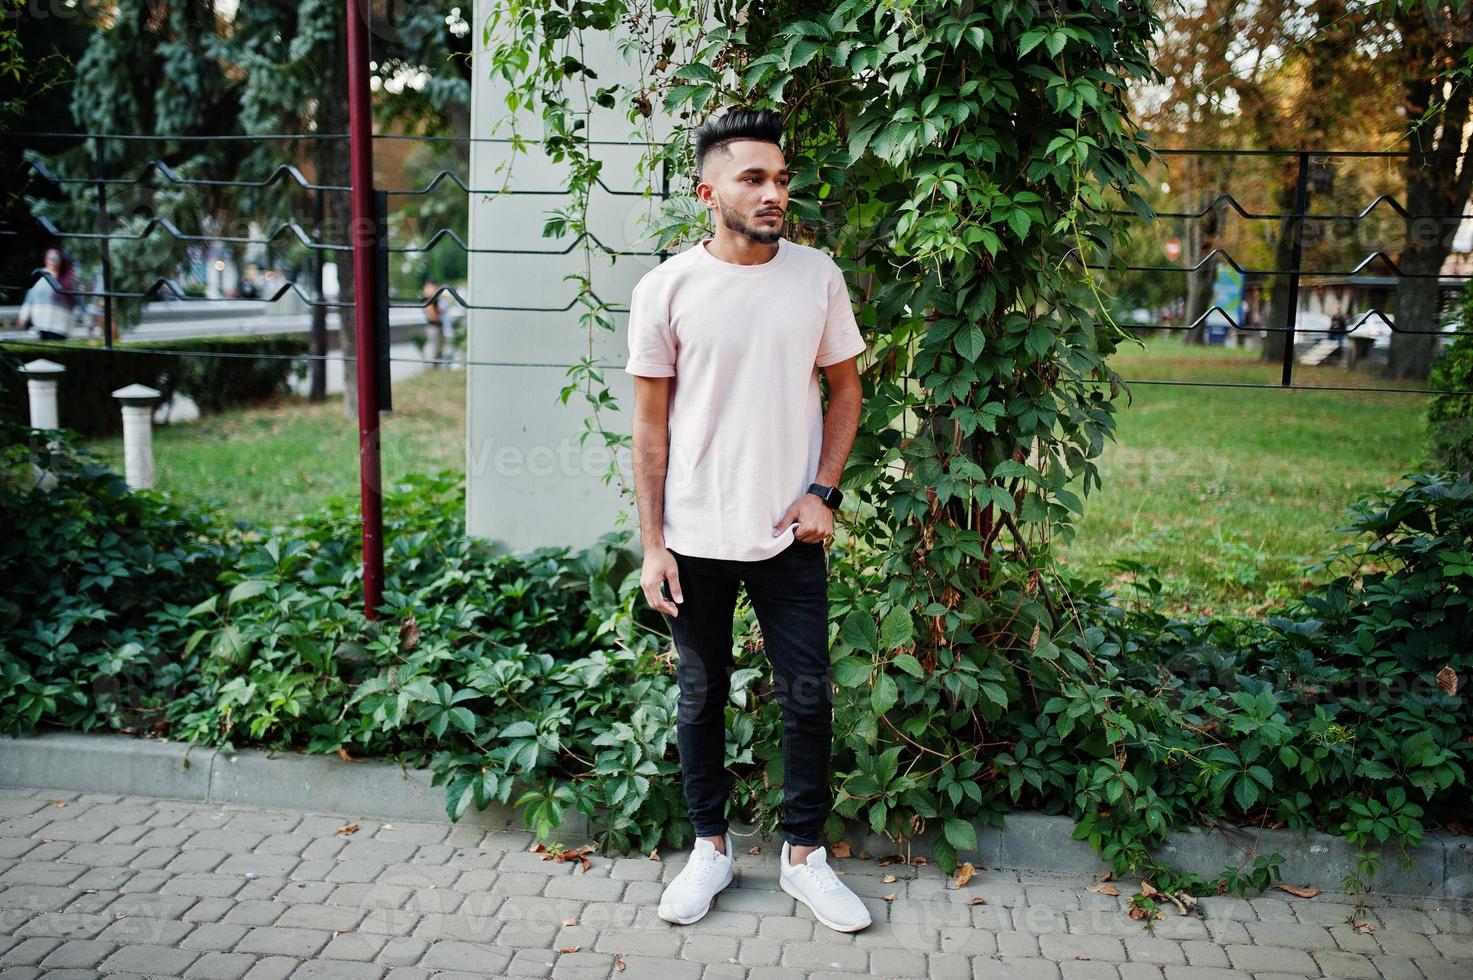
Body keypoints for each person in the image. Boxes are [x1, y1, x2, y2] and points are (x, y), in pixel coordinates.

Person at [625, 107, 870, 933]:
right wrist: (652, 543)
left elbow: (846, 391)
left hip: (786, 532)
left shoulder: (816, 276)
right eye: (753, 179)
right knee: (701, 698)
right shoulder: (665, 290)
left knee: (807, 698)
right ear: (708, 192)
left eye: (781, 179)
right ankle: (710, 852)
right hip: (693, 538)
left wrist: (822, 493)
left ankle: (804, 857)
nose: (774, 193)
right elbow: (649, 427)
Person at [16, 247, 79, 340]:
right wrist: (23, 317)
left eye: (55, 258)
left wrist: (87, 321)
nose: (52, 260)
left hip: (60, 325)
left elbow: (78, 301)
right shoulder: (38, 274)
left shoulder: (68, 278)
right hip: (40, 323)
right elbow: (30, 297)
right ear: (45, 259)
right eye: (50, 257)